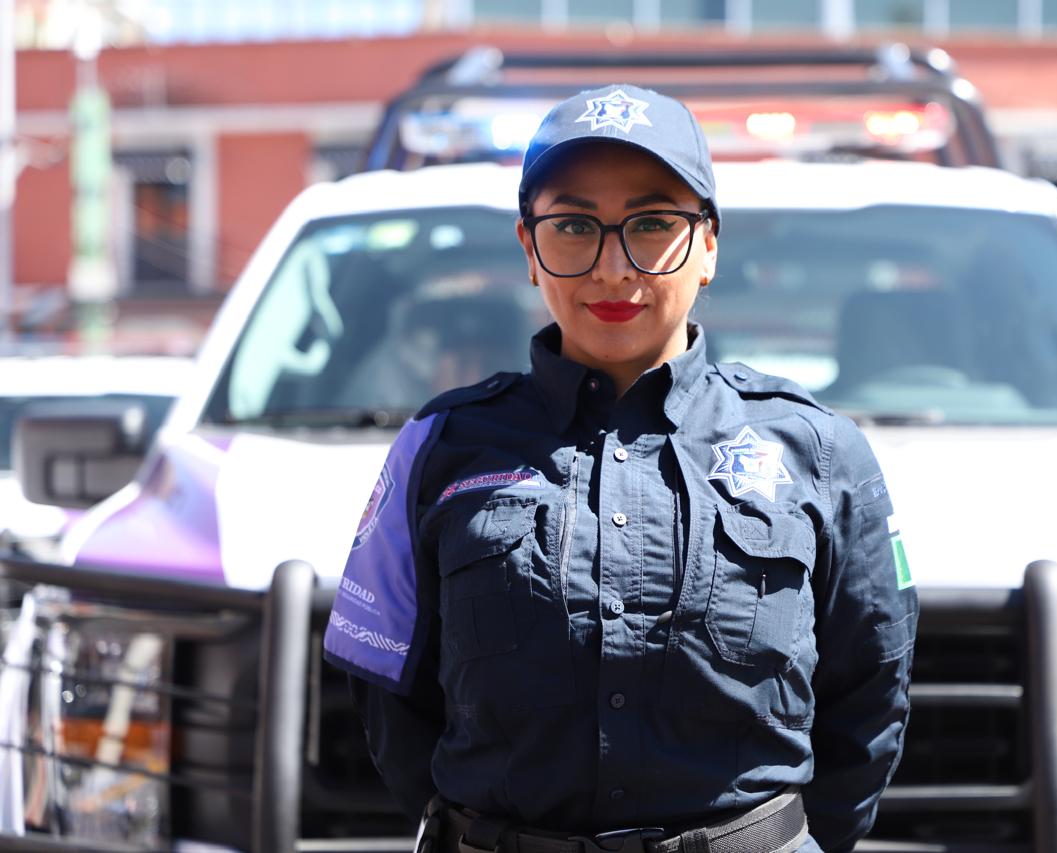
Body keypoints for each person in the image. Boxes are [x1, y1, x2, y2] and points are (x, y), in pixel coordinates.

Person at [323, 83, 918, 853]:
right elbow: (387, 700)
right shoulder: (439, 446)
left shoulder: (821, 451)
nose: (612, 268)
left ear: (708, 244)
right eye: (574, 226)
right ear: (529, 247)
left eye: (652, 223)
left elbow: (871, 696)